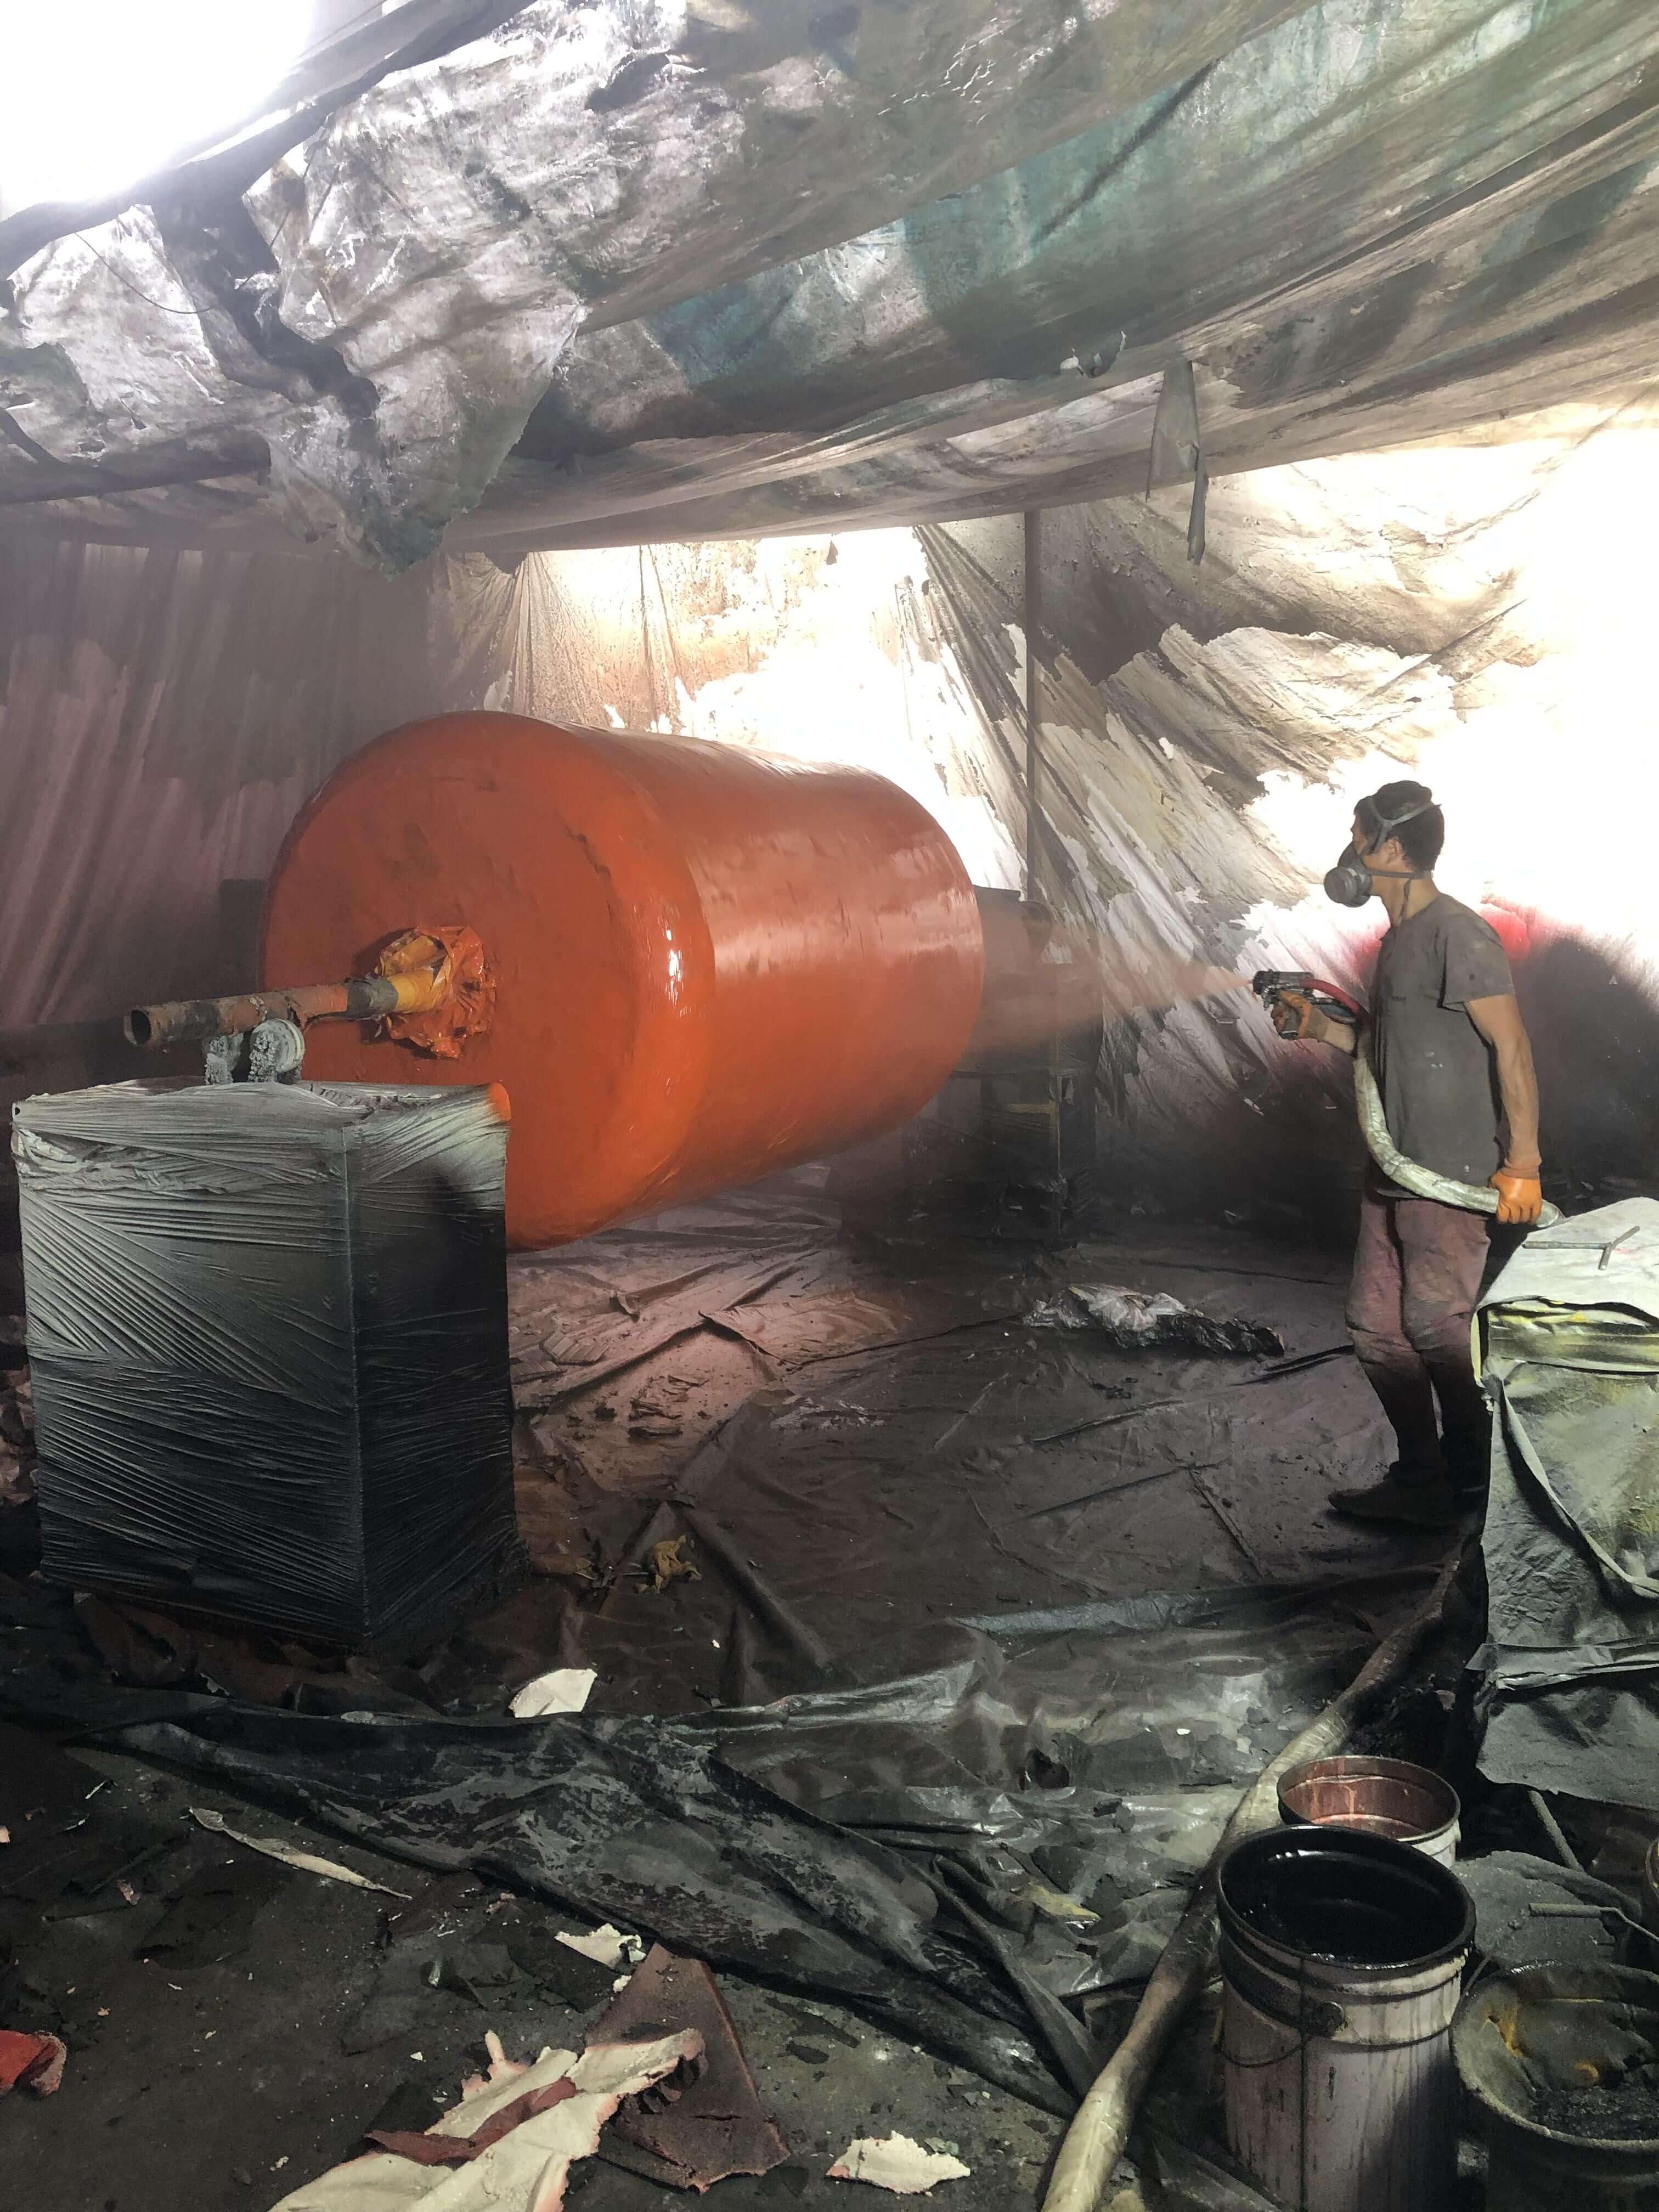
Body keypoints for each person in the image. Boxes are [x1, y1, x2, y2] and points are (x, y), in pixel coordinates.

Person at [1271, 782, 1543, 1527]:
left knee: (1435, 1329)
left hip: (1447, 1176)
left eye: (1359, 836)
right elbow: (1386, 1053)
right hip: (1392, 1169)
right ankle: (1422, 1480)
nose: (1351, 850)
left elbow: (1512, 1049)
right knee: (1376, 1329)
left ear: (1390, 849)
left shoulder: (1459, 934)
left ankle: (1475, 1485)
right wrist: (1319, 1029)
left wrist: (1523, 1164)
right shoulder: (1398, 943)